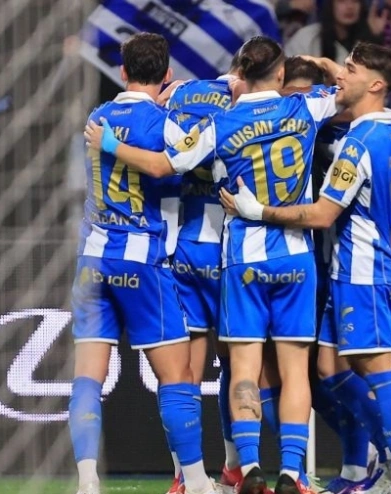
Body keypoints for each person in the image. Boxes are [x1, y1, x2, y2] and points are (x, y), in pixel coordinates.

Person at [86, 35, 342, 494]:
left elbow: (164, 163)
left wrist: (111, 143)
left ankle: (213, 472)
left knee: (199, 371)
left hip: (209, 253)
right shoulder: (304, 105)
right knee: (285, 370)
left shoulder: (199, 106)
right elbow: (346, 88)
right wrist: (319, 60)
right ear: (280, 73)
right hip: (289, 256)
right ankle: (289, 473)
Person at [220, 42, 391, 494]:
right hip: (342, 268)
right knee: (331, 370)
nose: (339, 77)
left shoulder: (356, 144)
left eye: (350, 70)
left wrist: (258, 211)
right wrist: (331, 65)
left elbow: (322, 214)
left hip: (362, 269)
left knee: (379, 369)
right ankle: (365, 464)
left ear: (376, 85)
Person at [68, 32, 218, 494]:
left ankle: (87, 480)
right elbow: (182, 159)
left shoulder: (96, 118)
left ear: (123, 71)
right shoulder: (167, 123)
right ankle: (197, 482)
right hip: (143, 261)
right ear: (167, 74)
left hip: (93, 260)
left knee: (87, 378)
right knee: (176, 377)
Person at [161, 55, 240, 494]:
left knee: (184, 370)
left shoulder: (180, 94)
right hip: (230, 248)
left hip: (186, 242)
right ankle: (235, 466)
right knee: (236, 362)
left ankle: (186, 474)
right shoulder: (245, 100)